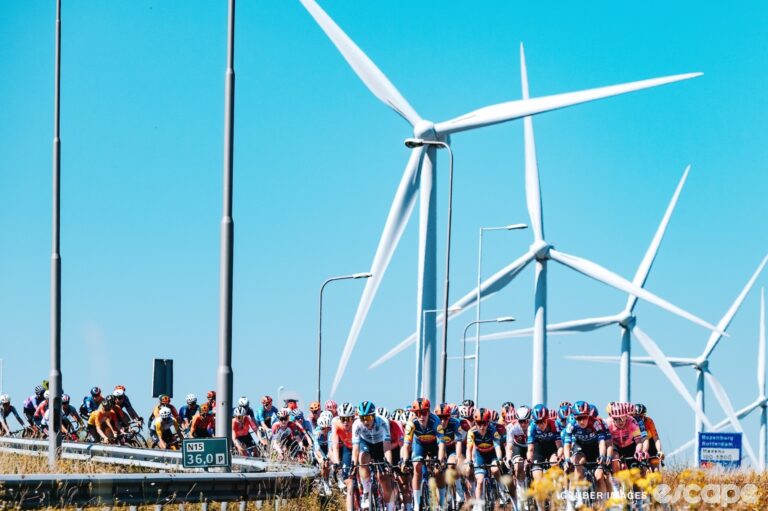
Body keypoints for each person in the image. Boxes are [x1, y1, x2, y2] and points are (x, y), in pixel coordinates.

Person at [562, 401, 610, 497]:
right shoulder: (571, 425)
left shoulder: (595, 423)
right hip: (581, 447)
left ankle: (603, 504)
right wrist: (567, 459)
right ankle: (579, 496)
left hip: (595, 448)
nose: (582, 421)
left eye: (585, 417)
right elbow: (567, 445)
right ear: (575, 417)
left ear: (589, 416)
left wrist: (602, 455)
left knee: (599, 477)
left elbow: (601, 442)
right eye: (579, 418)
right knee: (578, 464)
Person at [352, 401, 393, 510]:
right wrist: (353, 464)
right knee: (362, 458)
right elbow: (355, 448)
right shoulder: (356, 424)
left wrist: (388, 463)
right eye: (362, 418)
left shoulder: (383, 422)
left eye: (368, 417)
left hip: (380, 445)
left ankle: (389, 507)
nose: (365, 421)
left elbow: (387, 447)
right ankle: (366, 492)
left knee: (384, 479)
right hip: (366, 444)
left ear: (374, 416)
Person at [402, 397, 441, 511]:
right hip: (420, 445)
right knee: (416, 467)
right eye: (418, 413)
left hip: (434, 445)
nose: (421, 416)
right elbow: (406, 445)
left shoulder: (436, 421)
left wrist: (439, 459)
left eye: (424, 413)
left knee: (438, 470)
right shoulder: (411, 423)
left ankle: (440, 500)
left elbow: (441, 443)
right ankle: (417, 504)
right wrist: (405, 460)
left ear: (428, 412)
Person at [466, 408, 505, 510]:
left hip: (492, 454)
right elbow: (469, 449)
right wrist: (469, 460)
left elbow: (497, 447)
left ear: (488, 422)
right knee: (479, 480)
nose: (482, 426)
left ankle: (501, 491)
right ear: (475, 422)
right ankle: (478, 505)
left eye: (485, 423)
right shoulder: (471, 432)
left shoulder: (493, 430)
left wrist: (499, 459)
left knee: (495, 469)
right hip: (480, 456)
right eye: (479, 423)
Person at [436, 403, 465, 505]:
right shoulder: (434, 423)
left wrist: (457, 456)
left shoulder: (456, 423)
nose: (443, 421)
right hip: (438, 448)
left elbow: (458, 441)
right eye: (440, 418)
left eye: (445, 418)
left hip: (452, 448)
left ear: (449, 417)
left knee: (452, 464)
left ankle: (459, 491)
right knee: (436, 470)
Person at [526, 405, 563, 485]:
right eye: (537, 422)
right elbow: (530, 449)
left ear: (547, 419)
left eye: (543, 421)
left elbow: (559, 446)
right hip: (538, 448)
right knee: (537, 476)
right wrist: (529, 459)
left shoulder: (554, 425)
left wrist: (559, 457)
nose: (540, 425)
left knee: (554, 463)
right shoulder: (532, 427)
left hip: (551, 447)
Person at [606, 402, 646, 474]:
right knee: (615, 458)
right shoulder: (607, 423)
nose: (619, 421)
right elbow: (606, 442)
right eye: (615, 419)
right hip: (616, 445)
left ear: (626, 416)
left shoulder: (633, 422)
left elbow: (638, 441)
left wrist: (638, 451)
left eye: (622, 418)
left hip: (629, 445)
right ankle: (616, 480)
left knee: (635, 472)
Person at [331, 402, 356, 511]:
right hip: (347, 448)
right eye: (343, 419)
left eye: (348, 419)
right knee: (349, 482)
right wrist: (337, 462)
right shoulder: (336, 423)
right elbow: (335, 445)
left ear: (353, 418)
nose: (346, 422)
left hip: (359, 447)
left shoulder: (358, 423)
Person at [633, 404, 664, 470]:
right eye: (636, 416)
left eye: (641, 416)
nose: (638, 419)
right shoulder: (631, 423)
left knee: (655, 467)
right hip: (637, 443)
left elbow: (656, 438)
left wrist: (659, 451)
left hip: (650, 442)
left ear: (644, 415)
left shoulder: (649, 421)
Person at [313, 414, 333, 495]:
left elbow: (331, 447)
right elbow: (317, 449)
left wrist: (328, 457)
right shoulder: (316, 434)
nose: (325, 430)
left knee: (327, 464)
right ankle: (323, 482)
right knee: (322, 463)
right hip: (319, 449)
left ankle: (326, 482)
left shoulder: (331, 433)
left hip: (327, 449)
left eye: (327, 428)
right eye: (323, 428)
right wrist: (322, 458)